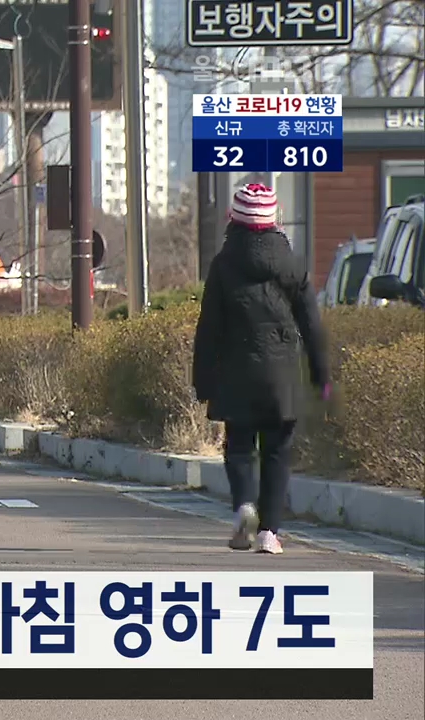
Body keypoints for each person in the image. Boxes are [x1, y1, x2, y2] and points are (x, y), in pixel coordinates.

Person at [193, 183, 331, 556]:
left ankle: (244, 507)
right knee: (277, 453)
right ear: (274, 220)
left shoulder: (223, 265)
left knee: (239, 447)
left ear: (234, 219)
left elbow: (209, 329)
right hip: (282, 376)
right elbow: (312, 325)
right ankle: (270, 532)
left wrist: (202, 380)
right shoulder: (292, 263)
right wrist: (321, 376)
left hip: (237, 373)